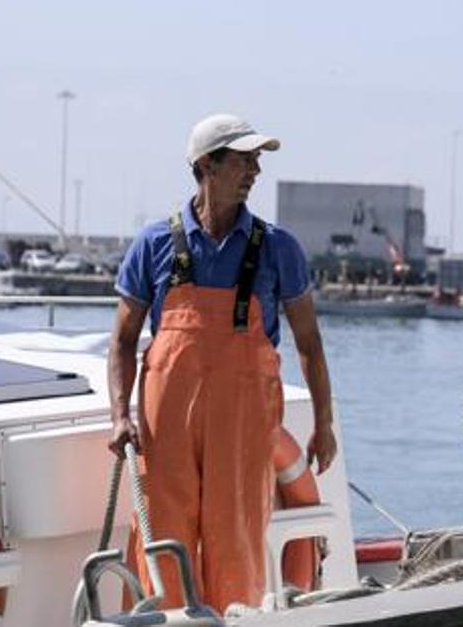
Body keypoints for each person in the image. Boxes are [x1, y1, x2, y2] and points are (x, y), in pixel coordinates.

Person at [106, 113, 337, 613]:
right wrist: (120, 415)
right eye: (243, 159)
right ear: (206, 165)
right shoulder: (153, 244)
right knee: (164, 531)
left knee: (236, 534)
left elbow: (310, 343)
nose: (255, 169)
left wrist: (325, 422)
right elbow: (123, 340)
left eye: (257, 159)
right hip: (165, 422)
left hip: (243, 420)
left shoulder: (279, 247)